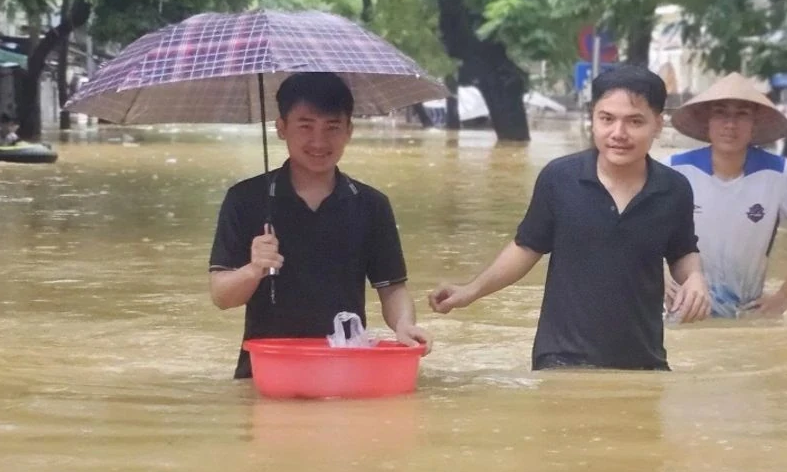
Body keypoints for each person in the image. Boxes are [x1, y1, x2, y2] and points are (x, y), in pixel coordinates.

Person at [429, 65, 711, 371]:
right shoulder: (559, 178)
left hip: (644, 362)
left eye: (635, 122)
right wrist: (470, 290)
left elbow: (682, 251)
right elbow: (526, 248)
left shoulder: (673, 189)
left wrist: (694, 278)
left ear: (658, 124)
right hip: (562, 359)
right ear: (592, 118)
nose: (618, 133)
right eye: (607, 119)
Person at [208, 72, 431, 379]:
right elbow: (221, 296)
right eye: (305, 125)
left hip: (345, 368)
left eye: (332, 127)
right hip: (266, 373)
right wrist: (254, 269)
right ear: (281, 127)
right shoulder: (245, 199)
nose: (318, 141)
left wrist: (404, 324)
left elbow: (391, 287)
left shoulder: (370, 204)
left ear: (349, 130)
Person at [663, 73, 787, 318]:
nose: (730, 124)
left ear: (755, 124)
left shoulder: (778, 172)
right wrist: (659, 278)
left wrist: (785, 295)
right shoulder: (675, 169)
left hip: (746, 312)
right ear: (707, 121)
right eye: (720, 113)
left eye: (742, 115)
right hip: (683, 309)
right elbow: (637, 225)